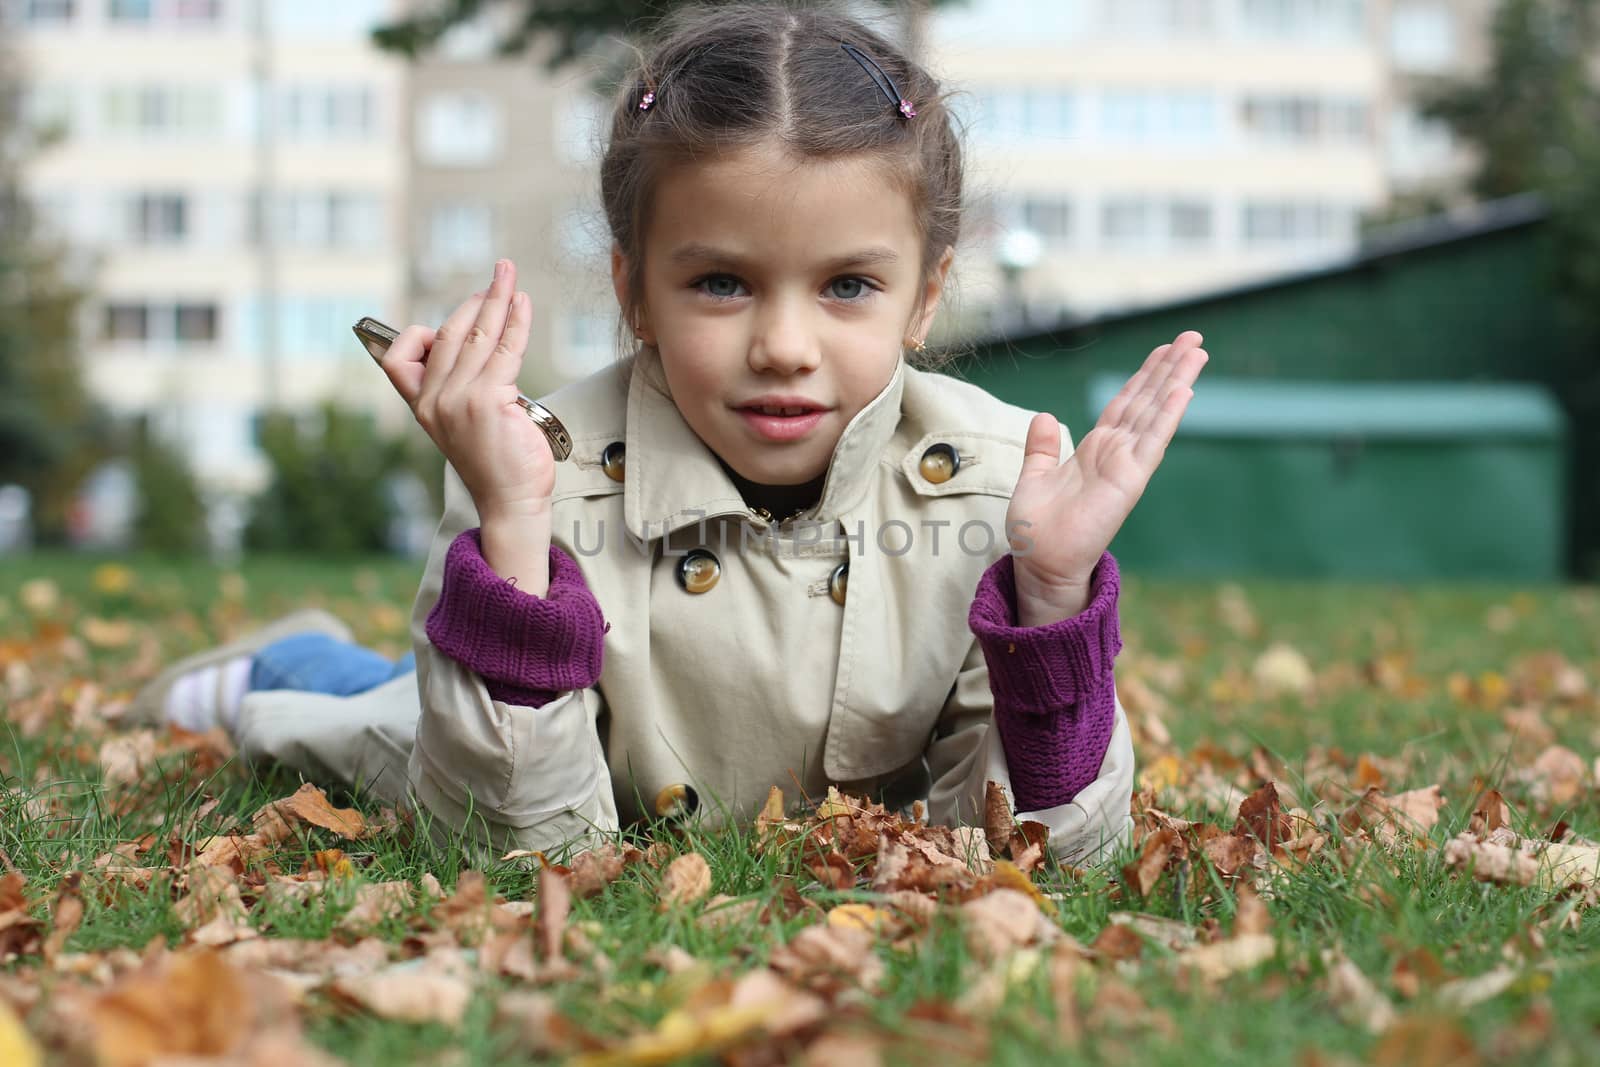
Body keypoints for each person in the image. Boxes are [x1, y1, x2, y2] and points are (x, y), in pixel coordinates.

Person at [129, 2, 1207, 866]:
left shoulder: (995, 491)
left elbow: (1049, 857)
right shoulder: (536, 470)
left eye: (847, 285)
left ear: (923, 299)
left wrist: (1051, 600)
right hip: (490, 738)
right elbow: (506, 846)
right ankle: (282, 662)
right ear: (633, 291)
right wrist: (511, 525)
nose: (784, 345)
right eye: (722, 283)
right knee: (357, 720)